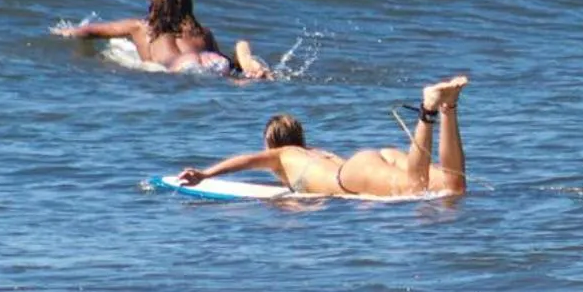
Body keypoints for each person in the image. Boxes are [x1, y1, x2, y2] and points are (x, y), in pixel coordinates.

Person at [179, 76, 468, 197]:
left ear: (271, 142)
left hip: (353, 174)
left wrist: (206, 174)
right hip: (373, 160)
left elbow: (245, 161)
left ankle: (428, 108)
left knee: (413, 186)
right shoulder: (315, 152)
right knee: (454, 184)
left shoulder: (281, 155)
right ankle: (448, 107)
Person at [56, 0, 273, 78]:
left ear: (155, 4)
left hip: (179, 66)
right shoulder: (203, 31)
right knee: (235, 74)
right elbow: (218, 58)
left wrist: (66, 32)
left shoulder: (140, 27)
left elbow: (91, 31)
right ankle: (246, 56)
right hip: (214, 62)